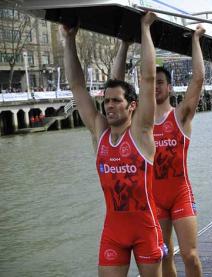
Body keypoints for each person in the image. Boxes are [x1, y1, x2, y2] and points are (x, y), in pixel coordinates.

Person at [62, 12, 165, 277]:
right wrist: (69, 40)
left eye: (116, 101)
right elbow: (76, 86)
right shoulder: (100, 133)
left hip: (146, 230)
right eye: (106, 101)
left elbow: (148, 80)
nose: (109, 105)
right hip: (113, 233)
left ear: (132, 106)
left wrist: (145, 29)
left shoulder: (141, 132)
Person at [112, 25, 205, 277]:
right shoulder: (140, 123)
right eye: (153, 83)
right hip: (153, 199)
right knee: (164, 256)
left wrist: (196, 40)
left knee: (190, 255)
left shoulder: (181, 116)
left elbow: (197, 80)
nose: (156, 87)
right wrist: (124, 45)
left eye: (161, 83)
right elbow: (116, 85)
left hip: (180, 194)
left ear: (170, 88)